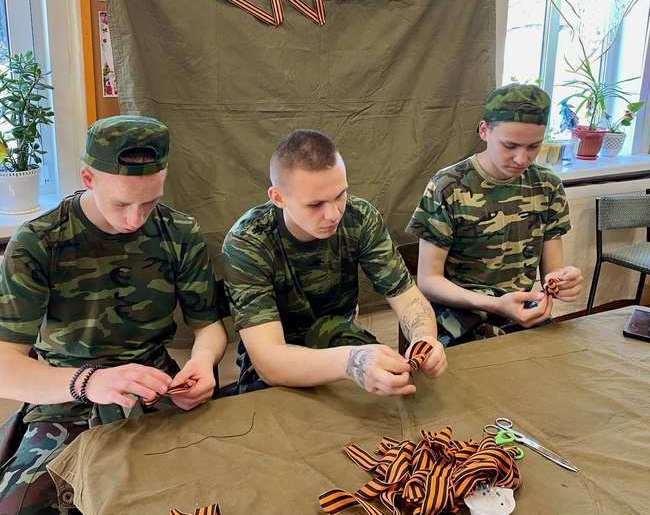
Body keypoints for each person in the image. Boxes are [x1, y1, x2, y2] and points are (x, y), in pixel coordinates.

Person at [0, 115, 228, 514]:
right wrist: (88, 382)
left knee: (217, 488)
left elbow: (208, 326)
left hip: (156, 388)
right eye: (121, 203)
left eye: (150, 202)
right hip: (66, 397)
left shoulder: (180, 233)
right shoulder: (37, 243)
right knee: (22, 508)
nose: (135, 219)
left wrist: (203, 362)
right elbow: (6, 366)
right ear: (88, 178)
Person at [222, 129, 447, 397]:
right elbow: (269, 361)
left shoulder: (360, 218)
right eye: (315, 204)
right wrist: (352, 363)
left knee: (394, 395)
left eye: (340, 195)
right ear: (278, 198)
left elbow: (407, 298)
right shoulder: (248, 242)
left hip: (337, 336)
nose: (333, 214)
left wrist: (425, 339)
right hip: (281, 360)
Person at [407, 83, 584, 346]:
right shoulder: (448, 186)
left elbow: (553, 269)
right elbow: (428, 280)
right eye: (510, 145)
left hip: (520, 313)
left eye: (533, 146)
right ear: (484, 130)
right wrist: (496, 304)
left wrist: (562, 281)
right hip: (458, 318)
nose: (522, 159)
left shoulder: (547, 186)